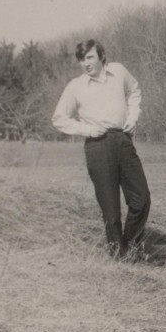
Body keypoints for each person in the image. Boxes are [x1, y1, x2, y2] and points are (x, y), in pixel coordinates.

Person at [53, 39, 151, 259]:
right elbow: (59, 118)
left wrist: (133, 117)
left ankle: (131, 247)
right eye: (81, 59)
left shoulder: (119, 71)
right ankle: (119, 257)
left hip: (123, 140)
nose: (85, 63)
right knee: (111, 209)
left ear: (102, 56)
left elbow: (134, 92)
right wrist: (87, 129)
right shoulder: (76, 86)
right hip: (97, 146)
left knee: (141, 199)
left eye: (90, 57)